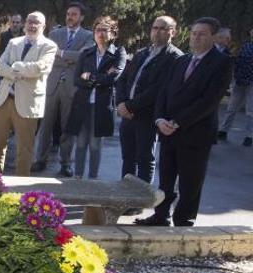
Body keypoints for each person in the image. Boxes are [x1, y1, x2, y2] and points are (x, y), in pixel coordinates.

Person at [136, 17, 232, 227]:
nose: (196, 38)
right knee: (166, 180)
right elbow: (163, 92)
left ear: (213, 37)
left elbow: (209, 100)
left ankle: (183, 221)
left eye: (202, 34)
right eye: (193, 33)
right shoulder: (182, 60)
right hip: (167, 130)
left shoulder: (222, 63)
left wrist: (177, 122)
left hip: (195, 133)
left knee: (190, 181)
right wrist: (160, 118)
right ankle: (160, 215)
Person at [115, 16, 183, 186]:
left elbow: (158, 89)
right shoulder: (141, 53)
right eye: (155, 28)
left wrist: (129, 106)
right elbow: (123, 79)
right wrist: (121, 103)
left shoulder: (175, 58)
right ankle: (125, 196)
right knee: (128, 157)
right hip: (127, 115)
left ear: (172, 32)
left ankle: (140, 199)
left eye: (163, 28)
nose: (157, 32)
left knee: (144, 159)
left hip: (147, 116)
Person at [0, 11, 57, 176]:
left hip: (28, 103)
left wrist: (16, 66)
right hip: (5, 99)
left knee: (24, 148)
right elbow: (0, 66)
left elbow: (41, 68)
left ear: (43, 26)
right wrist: (16, 72)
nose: (32, 25)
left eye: (36, 23)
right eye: (30, 22)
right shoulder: (13, 42)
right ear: (25, 24)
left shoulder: (49, 46)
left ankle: (21, 188)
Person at [33, 2, 93, 175]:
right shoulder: (54, 33)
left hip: (72, 87)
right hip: (51, 85)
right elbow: (48, 56)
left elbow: (83, 56)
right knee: (45, 126)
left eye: (74, 14)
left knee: (68, 127)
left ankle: (65, 163)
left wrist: (61, 53)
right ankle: (40, 160)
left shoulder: (88, 36)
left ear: (81, 17)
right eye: (68, 14)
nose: (70, 17)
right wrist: (70, 57)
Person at [65, 16, 125, 179]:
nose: (101, 33)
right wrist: (99, 77)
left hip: (102, 106)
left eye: (105, 30)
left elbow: (112, 79)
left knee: (95, 145)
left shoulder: (118, 53)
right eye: (98, 29)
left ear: (113, 34)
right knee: (81, 143)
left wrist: (90, 76)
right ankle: (77, 177)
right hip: (82, 104)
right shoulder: (86, 53)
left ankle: (93, 179)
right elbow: (77, 79)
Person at [218, 28, 253, 146]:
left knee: (250, 110)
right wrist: (235, 77)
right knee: (231, 107)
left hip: (252, 83)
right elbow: (238, 61)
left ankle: (249, 136)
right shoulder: (246, 46)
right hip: (240, 81)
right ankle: (223, 130)